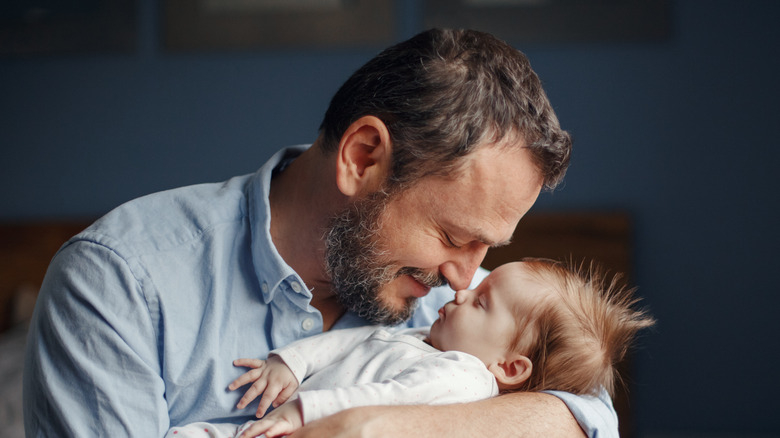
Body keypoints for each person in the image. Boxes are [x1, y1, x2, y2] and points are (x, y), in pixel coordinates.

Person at [24, 28, 614, 437]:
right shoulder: (118, 282)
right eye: (455, 237)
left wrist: (382, 427)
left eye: (486, 249)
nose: (464, 277)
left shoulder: (469, 311)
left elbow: (586, 416)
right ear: (362, 157)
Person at [166, 259, 654, 438]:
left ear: (508, 366)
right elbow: (349, 343)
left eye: (481, 302)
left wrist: (301, 409)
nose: (462, 287)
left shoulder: (460, 376)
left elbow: (375, 407)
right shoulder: (427, 339)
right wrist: (291, 362)